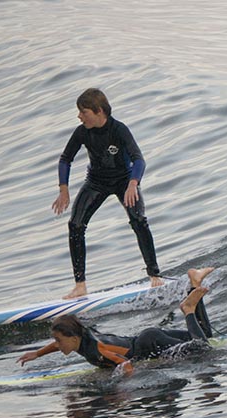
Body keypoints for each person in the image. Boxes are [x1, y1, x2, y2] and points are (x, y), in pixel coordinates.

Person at [53, 88, 163, 299]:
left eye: (83, 112)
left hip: (124, 181)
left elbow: (139, 159)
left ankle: (154, 276)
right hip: (96, 182)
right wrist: (63, 189)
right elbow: (65, 159)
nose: (79, 116)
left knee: (138, 220)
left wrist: (133, 183)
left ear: (99, 111)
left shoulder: (119, 130)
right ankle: (80, 286)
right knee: (75, 225)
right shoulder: (82, 132)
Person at [17, 268, 216, 375]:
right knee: (205, 334)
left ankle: (188, 309)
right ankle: (194, 283)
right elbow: (57, 344)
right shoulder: (78, 337)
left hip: (149, 344)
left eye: (59, 340)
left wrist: (123, 390)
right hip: (148, 337)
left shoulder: (97, 348)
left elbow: (125, 364)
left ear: (73, 337)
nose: (58, 345)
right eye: (57, 340)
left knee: (201, 348)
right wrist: (37, 353)